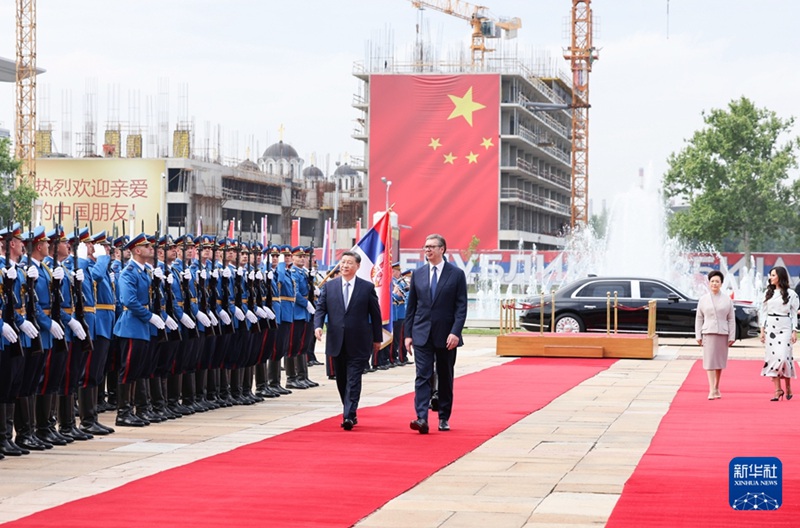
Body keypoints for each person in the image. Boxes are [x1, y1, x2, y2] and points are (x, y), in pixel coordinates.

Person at [404, 234, 467, 434]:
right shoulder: (419, 274)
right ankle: (421, 417)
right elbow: (411, 307)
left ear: (442, 249)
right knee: (422, 375)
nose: (428, 250)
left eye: (432, 247)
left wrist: (455, 332)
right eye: (425, 247)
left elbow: (461, 307)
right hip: (422, 333)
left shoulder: (456, 274)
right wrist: (407, 334)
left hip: (446, 336)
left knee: (445, 376)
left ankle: (443, 417)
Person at [314, 251, 382, 430]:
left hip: (359, 341)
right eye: (343, 262)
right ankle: (348, 407)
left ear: (357, 266)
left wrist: (377, 339)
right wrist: (318, 326)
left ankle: (349, 415)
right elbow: (320, 309)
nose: (345, 265)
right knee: (341, 379)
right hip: (336, 341)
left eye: (349, 263)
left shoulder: (367, 287)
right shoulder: (330, 287)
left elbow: (375, 315)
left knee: (354, 379)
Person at [759, 266, 799, 401]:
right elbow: (763, 313)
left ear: (780, 277)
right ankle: (777, 390)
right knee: (772, 358)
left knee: (784, 357)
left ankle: (787, 386)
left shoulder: (791, 294)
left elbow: (794, 314)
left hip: (785, 327)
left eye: (773, 275)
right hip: (771, 328)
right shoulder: (767, 293)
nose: (771, 277)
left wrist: (794, 331)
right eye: (770, 275)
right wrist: (762, 330)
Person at [694, 270, 735, 400]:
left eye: (717, 281)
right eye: (712, 281)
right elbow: (699, 318)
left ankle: (717, 387)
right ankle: (711, 389)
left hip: (723, 333)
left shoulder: (727, 299)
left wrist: (732, 336)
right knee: (710, 362)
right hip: (708, 332)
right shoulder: (703, 299)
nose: (714, 284)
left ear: (721, 283)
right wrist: (698, 335)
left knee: (719, 362)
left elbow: (731, 319)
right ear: (708, 283)